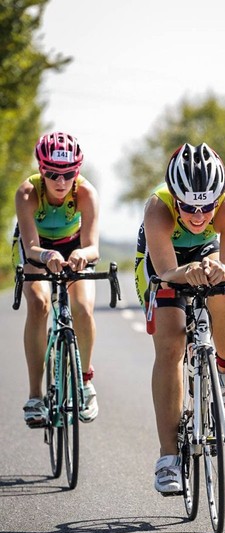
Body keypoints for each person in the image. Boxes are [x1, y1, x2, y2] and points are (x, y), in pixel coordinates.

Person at [135, 142, 225, 495]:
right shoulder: (158, 207)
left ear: (219, 198)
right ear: (175, 198)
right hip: (163, 263)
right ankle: (168, 458)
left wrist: (220, 270)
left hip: (205, 253)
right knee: (171, 347)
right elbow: (167, 272)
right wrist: (187, 272)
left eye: (206, 207)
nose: (198, 216)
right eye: (188, 207)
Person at [12, 131, 100, 428]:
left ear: (77, 171)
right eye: (52, 174)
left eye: (69, 173)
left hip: (74, 246)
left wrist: (81, 254)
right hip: (37, 248)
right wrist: (47, 255)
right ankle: (35, 395)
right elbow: (30, 248)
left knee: (83, 308)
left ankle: (85, 382)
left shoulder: (86, 192)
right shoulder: (27, 193)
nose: (61, 181)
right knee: (39, 303)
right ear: (41, 170)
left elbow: (93, 247)